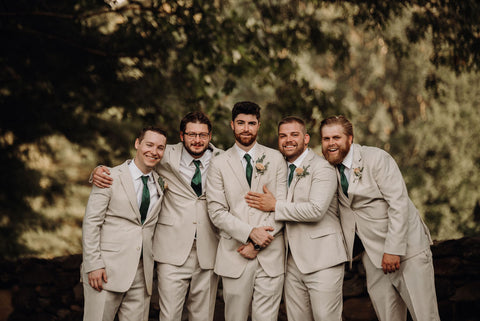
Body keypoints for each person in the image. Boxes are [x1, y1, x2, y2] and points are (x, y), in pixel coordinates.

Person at [91, 112, 222, 321]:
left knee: (203, 316)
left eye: (203, 135)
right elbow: (136, 164)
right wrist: (98, 171)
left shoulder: (223, 160)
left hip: (209, 249)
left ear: (210, 136)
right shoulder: (164, 154)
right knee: (169, 315)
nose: (197, 140)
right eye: (191, 134)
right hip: (171, 249)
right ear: (181, 135)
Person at [320, 115, 440, 321]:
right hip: (373, 257)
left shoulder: (376, 158)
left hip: (407, 250)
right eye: (326, 139)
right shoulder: (328, 170)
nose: (331, 143)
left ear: (350, 138)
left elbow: (399, 203)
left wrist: (393, 250)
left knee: (425, 316)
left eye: (336, 137)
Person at [245, 116, 347, 321]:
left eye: (294, 135)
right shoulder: (277, 167)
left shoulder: (322, 168)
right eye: (283, 136)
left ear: (306, 138)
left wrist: (275, 206)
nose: (288, 140)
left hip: (323, 260)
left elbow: (316, 210)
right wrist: (255, 242)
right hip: (291, 263)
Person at [206, 101, 287, 321]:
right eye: (241, 123)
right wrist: (250, 234)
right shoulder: (219, 163)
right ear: (232, 125)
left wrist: (258, 243)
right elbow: (216, 211)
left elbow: (282, 205)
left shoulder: (276, 158)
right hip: (235, 253)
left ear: (259, 125)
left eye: (251, 123)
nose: (246, 128)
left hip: (270, 256)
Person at [81, 126, 167, 321]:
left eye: (160, 148)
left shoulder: (160, 183)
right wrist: (93, 264)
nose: (153, 151)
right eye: (149, 144)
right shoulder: (108, 177)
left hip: (141, 275)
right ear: (137, 144)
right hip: (105, 271)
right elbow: (91, 223)